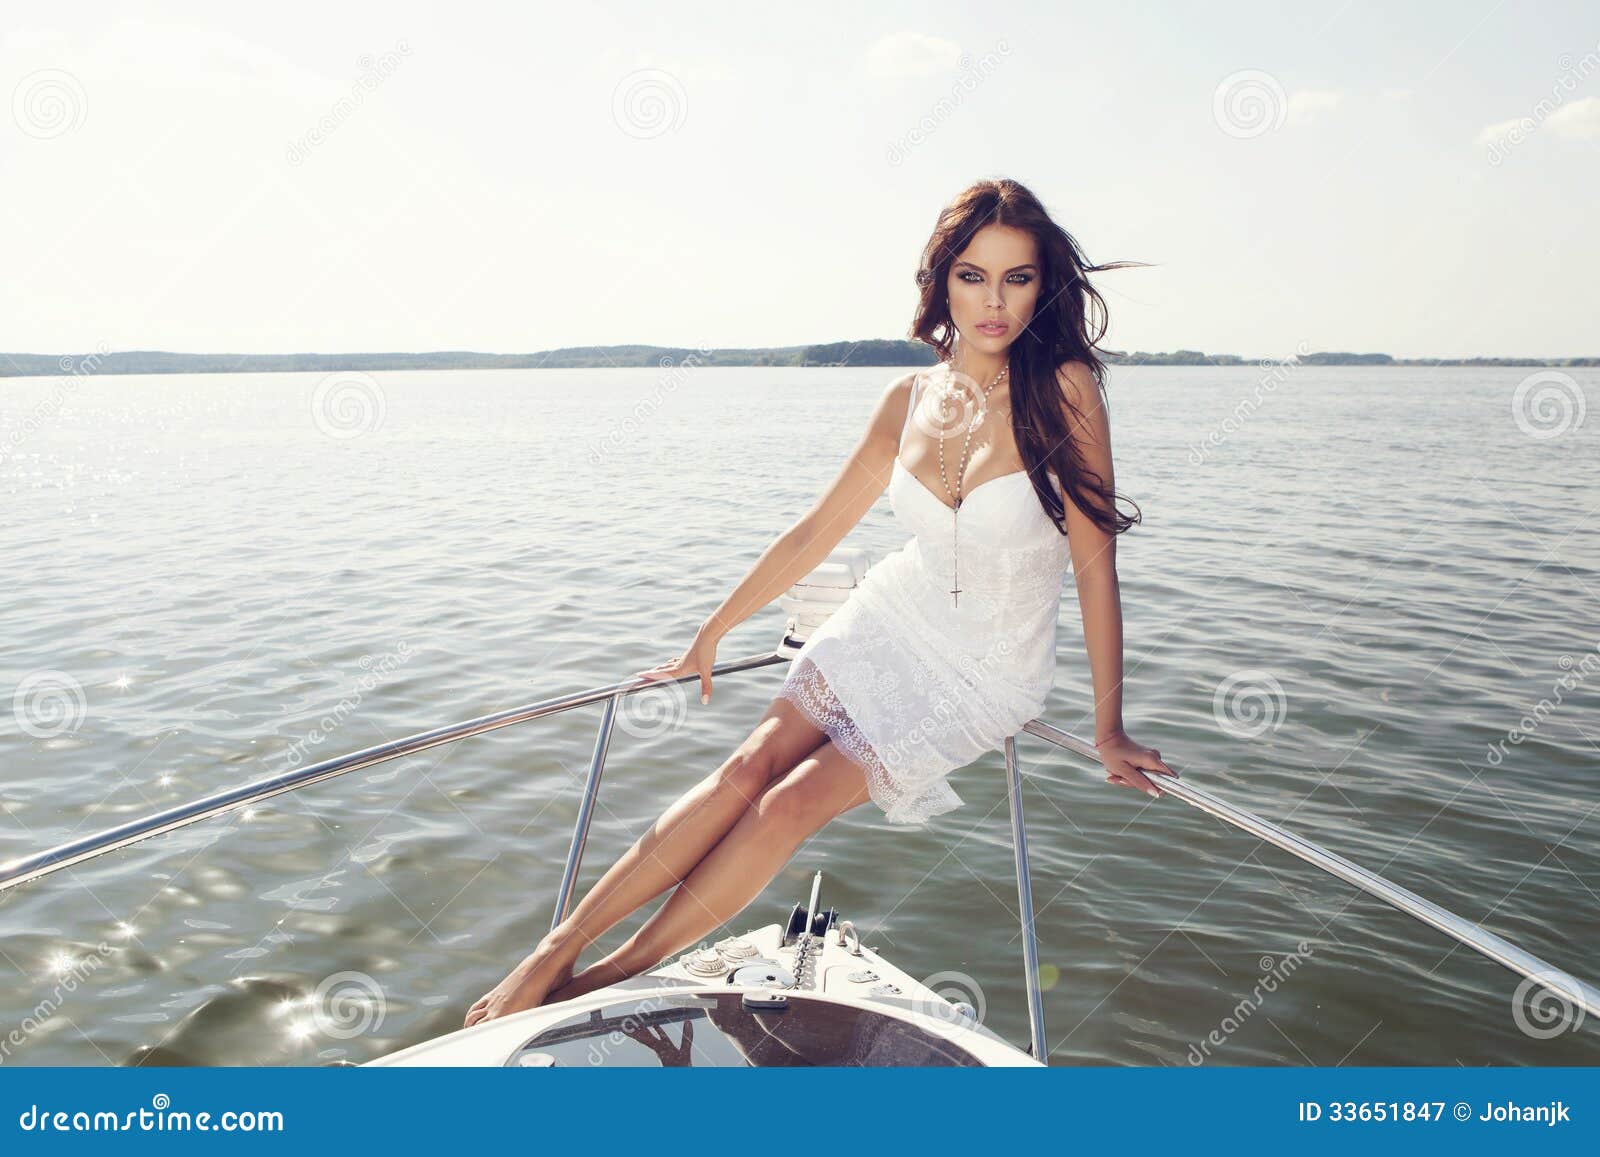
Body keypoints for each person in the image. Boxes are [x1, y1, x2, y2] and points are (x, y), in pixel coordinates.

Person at [463, 177, 1177, 1028]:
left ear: (1042, 283)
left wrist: (1107, 725)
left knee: (790, 802)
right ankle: (552, 952)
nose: (994, 301)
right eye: (973, 276)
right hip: (893, 615)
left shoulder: (1064, 389)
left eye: (1017, 277)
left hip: (985, 669)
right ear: (942, 281)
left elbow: (1096, 563)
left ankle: (605, 978)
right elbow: (815, 533)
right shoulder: (905, 401)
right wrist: (712, 631)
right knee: (745, 767)